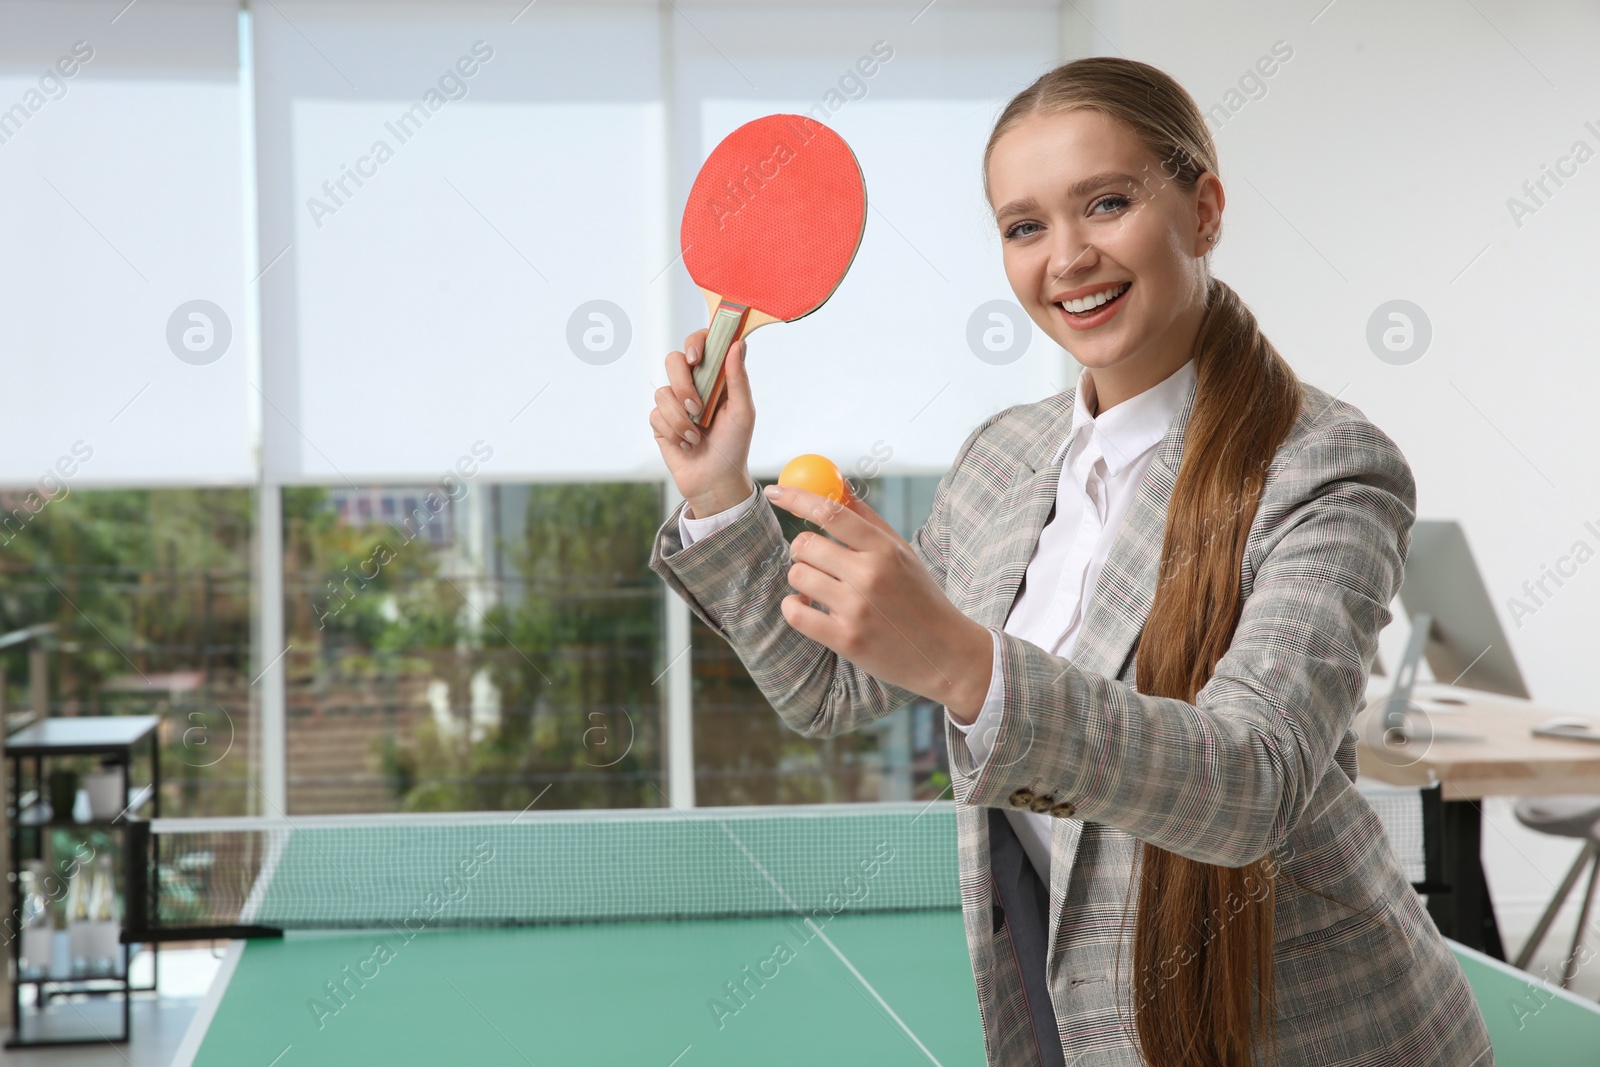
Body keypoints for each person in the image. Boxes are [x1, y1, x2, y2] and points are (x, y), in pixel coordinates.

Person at [646, 56, 1494, 1066]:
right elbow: (827, 691)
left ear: (1203, 208)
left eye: (1105, 202)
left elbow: (1252, 782)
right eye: (1024, 226)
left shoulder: (1324, 466)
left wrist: (968, 662)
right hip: (1077, 1023)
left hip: (1320, 1034)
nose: (1067, 256)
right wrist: (716, 493)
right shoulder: (1003, 454)